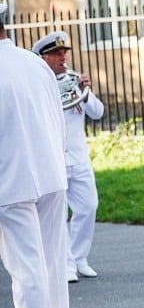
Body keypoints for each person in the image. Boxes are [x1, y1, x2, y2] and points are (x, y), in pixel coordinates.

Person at [0, 3, 72, 308]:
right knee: (52, 261)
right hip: (49, 171)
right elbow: (57, 117)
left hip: (11, 179)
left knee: (26, 268)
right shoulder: (34, 62)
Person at [33, 31, 105, 283]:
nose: (62, 57)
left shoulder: (74, 81)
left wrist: (87, 90)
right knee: (58, 214)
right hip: (53, 159)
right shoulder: (38, 86)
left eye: (64, 52)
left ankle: (79, 257)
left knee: (88, 206)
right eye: (56, 53)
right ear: (43, 58)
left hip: (79, 157)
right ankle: (64, 265)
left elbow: (97, 113)